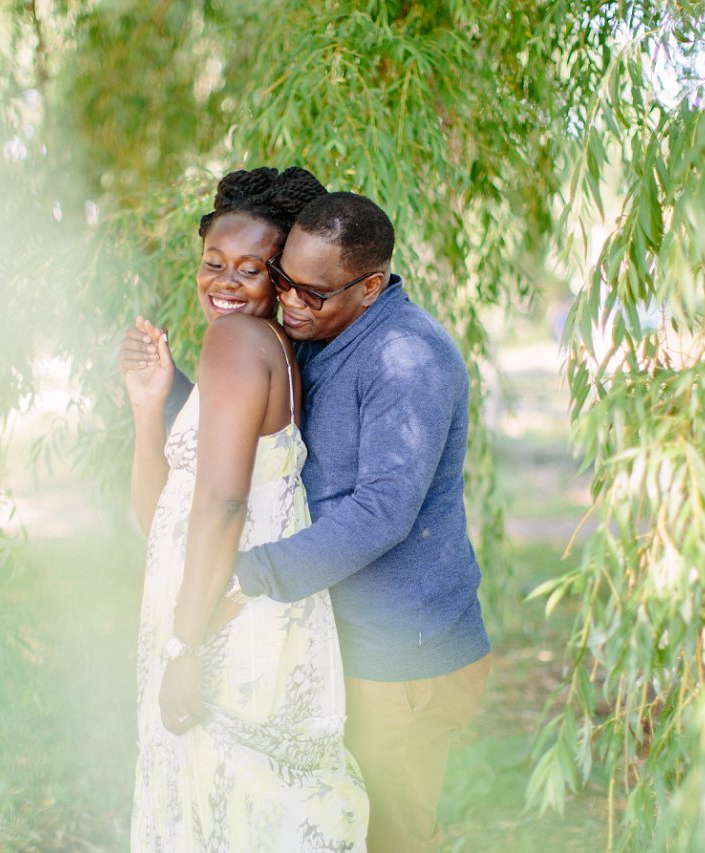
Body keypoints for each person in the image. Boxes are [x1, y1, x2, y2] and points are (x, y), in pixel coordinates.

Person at [126, 191, 491, 853]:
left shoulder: (408, 360)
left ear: (372, 284)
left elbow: (381, 513)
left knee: (387, 837)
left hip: (401, 654)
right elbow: (264, 449)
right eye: (285, 281)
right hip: (339, 639)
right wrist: (172, 393)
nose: (290, 303)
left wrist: (247, 574)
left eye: (312, 293)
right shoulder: (322, 331)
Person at [120, 168, 368, 852]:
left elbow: (225, 503)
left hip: (222, 627)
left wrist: (185, 647)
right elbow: (160, 520)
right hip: (235, 610)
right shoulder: (268, 349)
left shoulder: (235, 344)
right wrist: (150, 406)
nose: (226, 283)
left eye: (251, 269)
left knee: (220, 815)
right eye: (214, 264)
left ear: (281, 278)